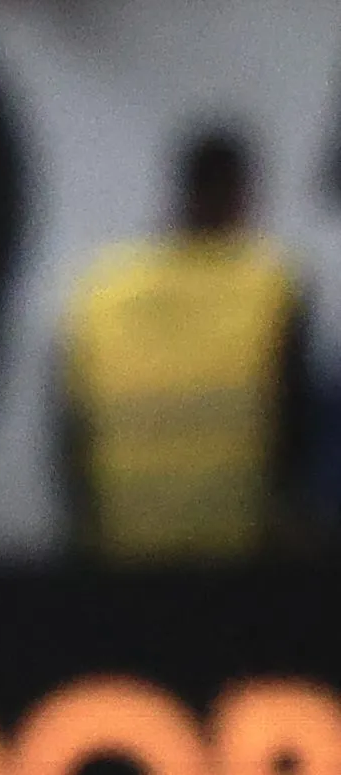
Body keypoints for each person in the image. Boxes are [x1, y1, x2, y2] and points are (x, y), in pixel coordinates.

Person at [62, 129, 315, 563]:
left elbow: (71, 439)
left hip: (122, 550)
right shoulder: (270, 287)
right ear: (242, 195)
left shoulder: (102, 291)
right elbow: (296, 431)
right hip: (238, 551)